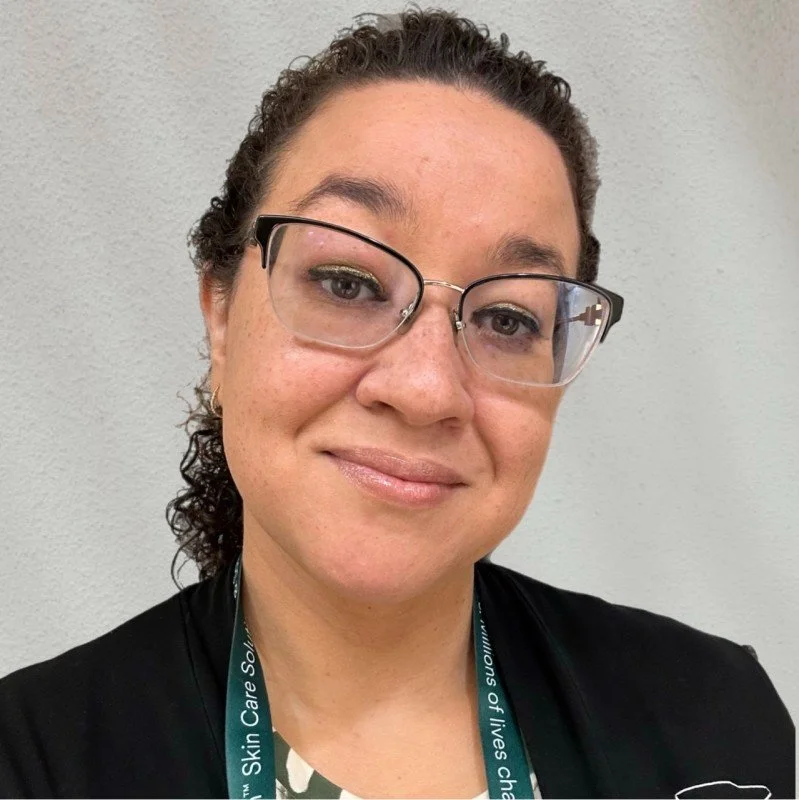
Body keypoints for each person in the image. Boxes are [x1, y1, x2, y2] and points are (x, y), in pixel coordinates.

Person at [0, 8, 793, 800]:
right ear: (221, 312)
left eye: (507, 318)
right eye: (346, 283)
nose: (424, 390)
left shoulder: (717, 722)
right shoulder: (34, 763)